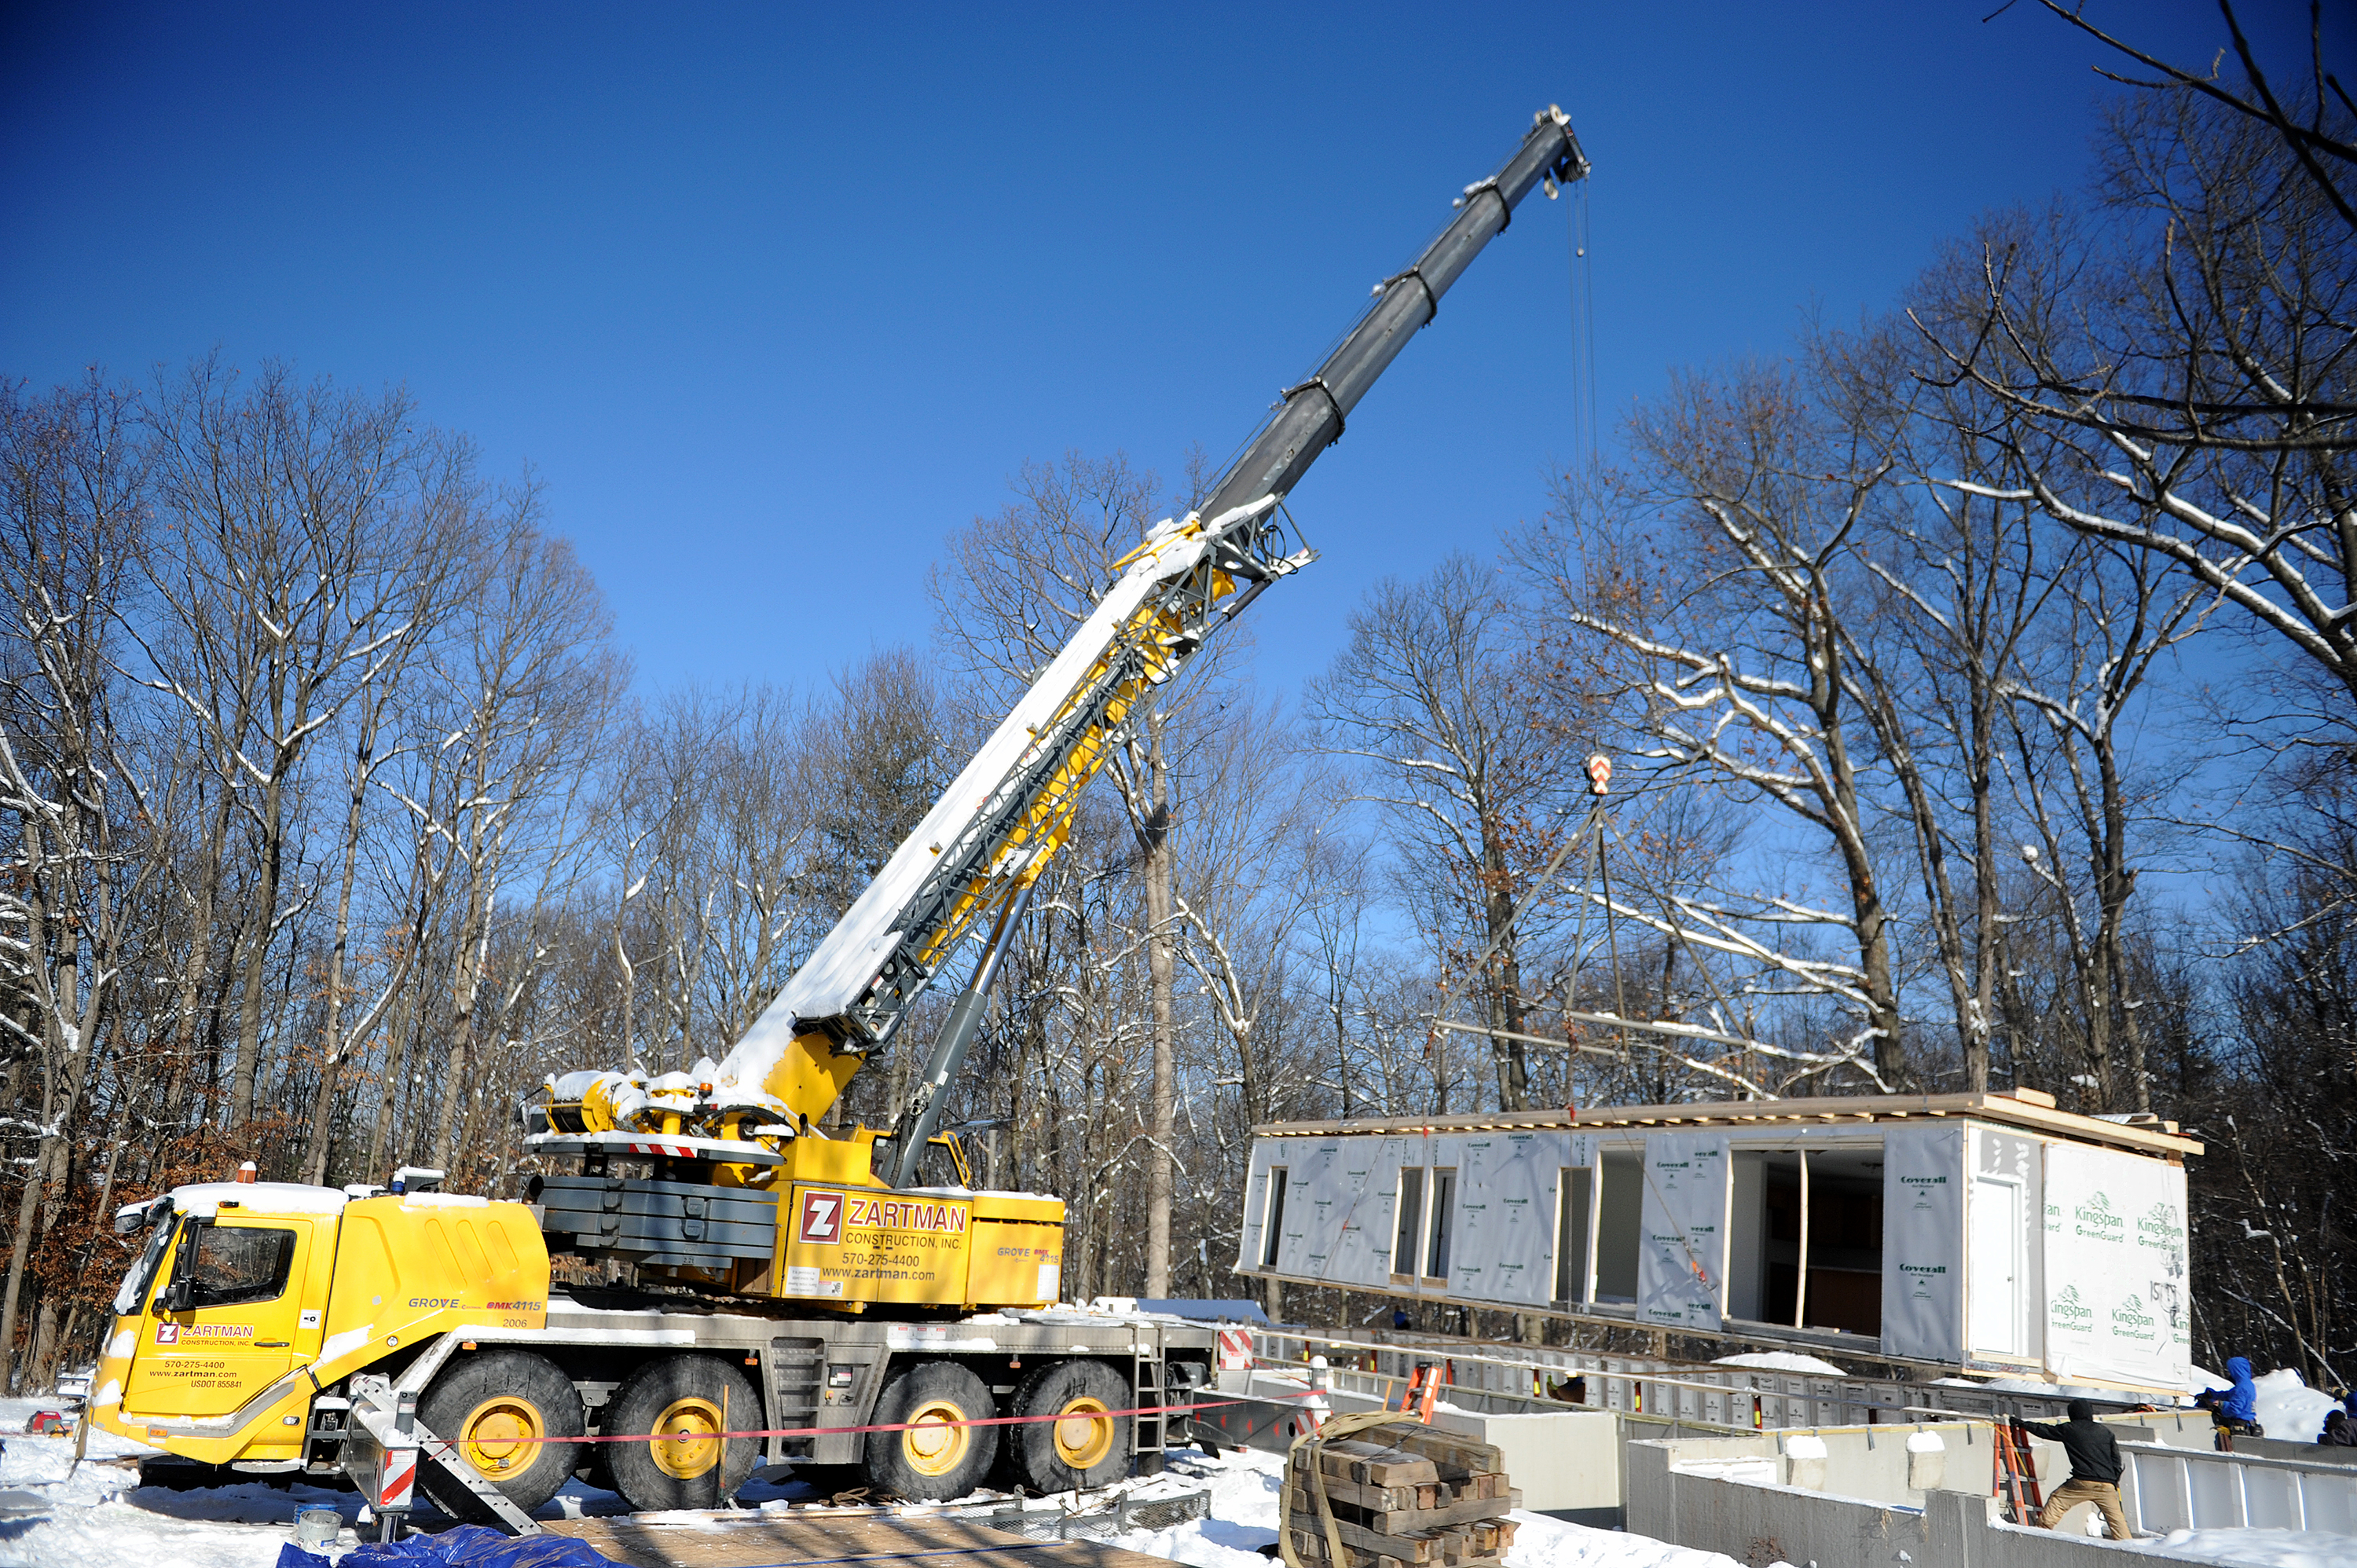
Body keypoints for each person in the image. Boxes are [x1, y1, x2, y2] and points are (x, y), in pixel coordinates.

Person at [2018, 1401, 2133, 1541]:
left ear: (2072, 1413)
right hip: (2107, 1485)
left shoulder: (2070, 1429)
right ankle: (2128, 1546)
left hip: (2081, 1483)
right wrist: (2113, 1481)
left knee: (2057, 1501)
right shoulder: (2105, 1432)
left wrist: (2023, 1424)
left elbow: (2045, 1430)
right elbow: (2116, 1460)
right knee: (2118, 1522)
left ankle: (2040, 1535)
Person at [2216, 1357, 2264, 1436]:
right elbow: (2230, 1394)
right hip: (2250, 1422)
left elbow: (2235, 1409)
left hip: (2240, 1426)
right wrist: (2213, 1394)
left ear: (2236, 1370)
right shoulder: (2248, 1384)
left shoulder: (2241, 1388)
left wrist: (2222, 1405)